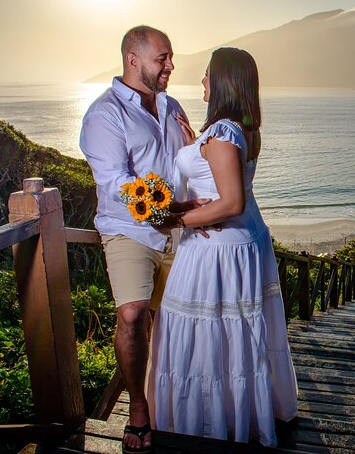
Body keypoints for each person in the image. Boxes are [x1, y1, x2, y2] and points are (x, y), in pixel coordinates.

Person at [148, 47, 299, 447]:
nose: (201, 82)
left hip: (216, 250)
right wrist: (196, 143)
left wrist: (174, 217)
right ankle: (238, 413)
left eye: (207, 75)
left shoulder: (224, 133)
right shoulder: (242, 129)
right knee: (233, 338)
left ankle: (205, 425)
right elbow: (221, 177)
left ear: (223, 83)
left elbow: (230, 202)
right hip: (244, 243)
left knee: (204, 337)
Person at [80, 25, 204, 454]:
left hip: (180, 230)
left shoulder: (173, 107)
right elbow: (116, 183)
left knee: (181, 322)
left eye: (170, 58)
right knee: (133, 315)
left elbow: (188, 164)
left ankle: (180, 405)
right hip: (129, 231)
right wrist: (170, 213)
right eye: (162, 58)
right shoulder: (104, 114)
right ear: (133, 60)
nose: (170, 65)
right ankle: (137, 409)